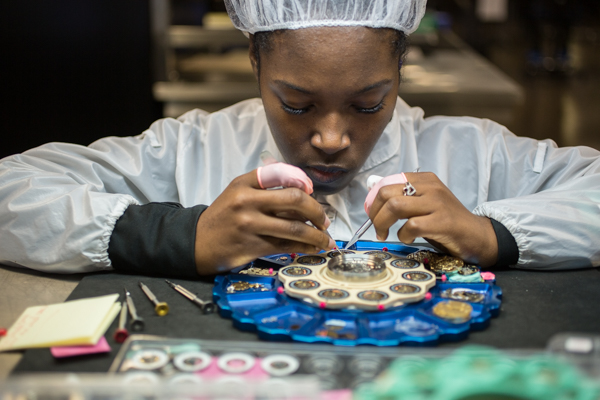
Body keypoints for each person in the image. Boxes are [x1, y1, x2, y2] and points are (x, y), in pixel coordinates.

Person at [0, 0, 599, 279]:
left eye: (369, 103)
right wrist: (180, 234)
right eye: (296, 104)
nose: (333, 137)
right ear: (255, 63)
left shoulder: (473, 152)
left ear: (401, 68)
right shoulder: (190, 148)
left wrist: (495, 233)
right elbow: (13, 191)